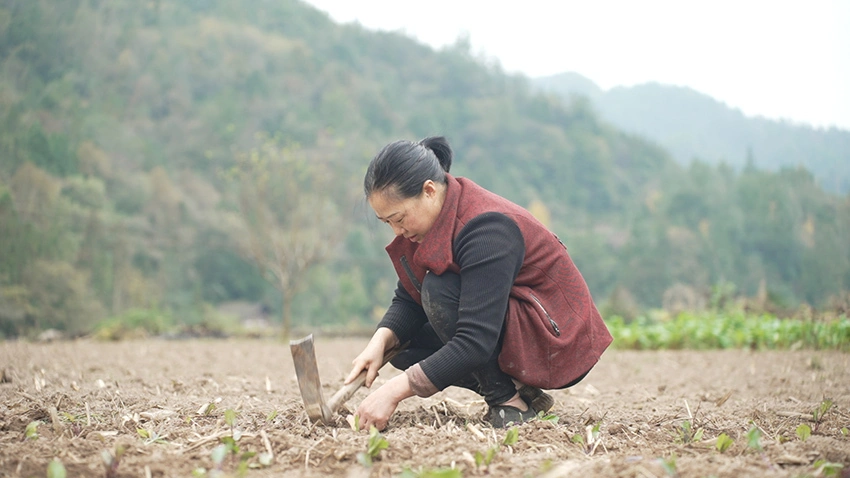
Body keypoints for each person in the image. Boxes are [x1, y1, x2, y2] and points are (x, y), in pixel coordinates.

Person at [345, 136, 613, 430]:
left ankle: (509, 402)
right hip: (506, 323)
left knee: (440, 290)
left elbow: (474, 341)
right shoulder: (424, 226)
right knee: (407, 343)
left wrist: (393, 391)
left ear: (429, 191)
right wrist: (379, 341)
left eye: (399, 218)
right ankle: (521, 392)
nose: (397, 230)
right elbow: (410, 297)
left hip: (554, 337)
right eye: (387, 223)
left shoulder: (487, 228)